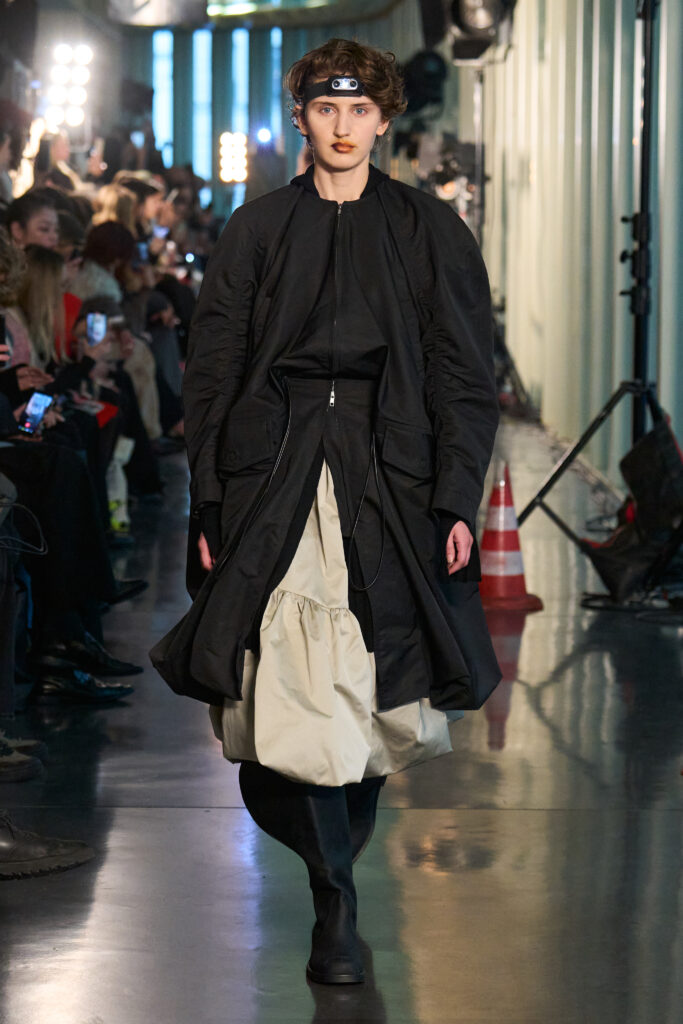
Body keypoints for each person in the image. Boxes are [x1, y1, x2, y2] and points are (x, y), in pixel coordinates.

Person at [151, 38, 501, 986]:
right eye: (324, 108)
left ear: (384, 120)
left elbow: (464, 373)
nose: (342, 126)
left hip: (391, 475)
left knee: (369, 704)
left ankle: (335, 892)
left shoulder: (428, 230)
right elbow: (214, 371)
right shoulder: (258, 230)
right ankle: (334, 900)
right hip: (275, 474)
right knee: (281, 699)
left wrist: (455, 496)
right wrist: (210, 495)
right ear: (301, 117)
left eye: (359, 110)